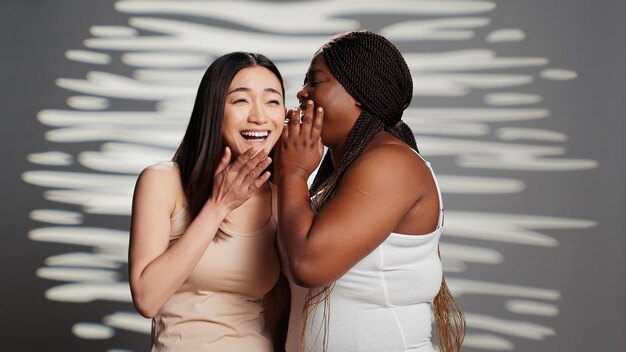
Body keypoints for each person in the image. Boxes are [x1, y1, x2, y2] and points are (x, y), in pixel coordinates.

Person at [276, 30, 465, 352]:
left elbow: (309, 266)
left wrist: (292, 172)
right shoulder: (349, 170)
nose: (301, 92)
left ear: (359, 93)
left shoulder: (390, 164)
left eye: (316, 82)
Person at [128, 52, 289, 352]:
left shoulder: (282, 199)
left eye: (272, 101)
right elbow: (147, 299)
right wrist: (219, 205)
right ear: (213, 110)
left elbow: (281, 311)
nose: (259, 116)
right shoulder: (163, 182)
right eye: (241, 100)